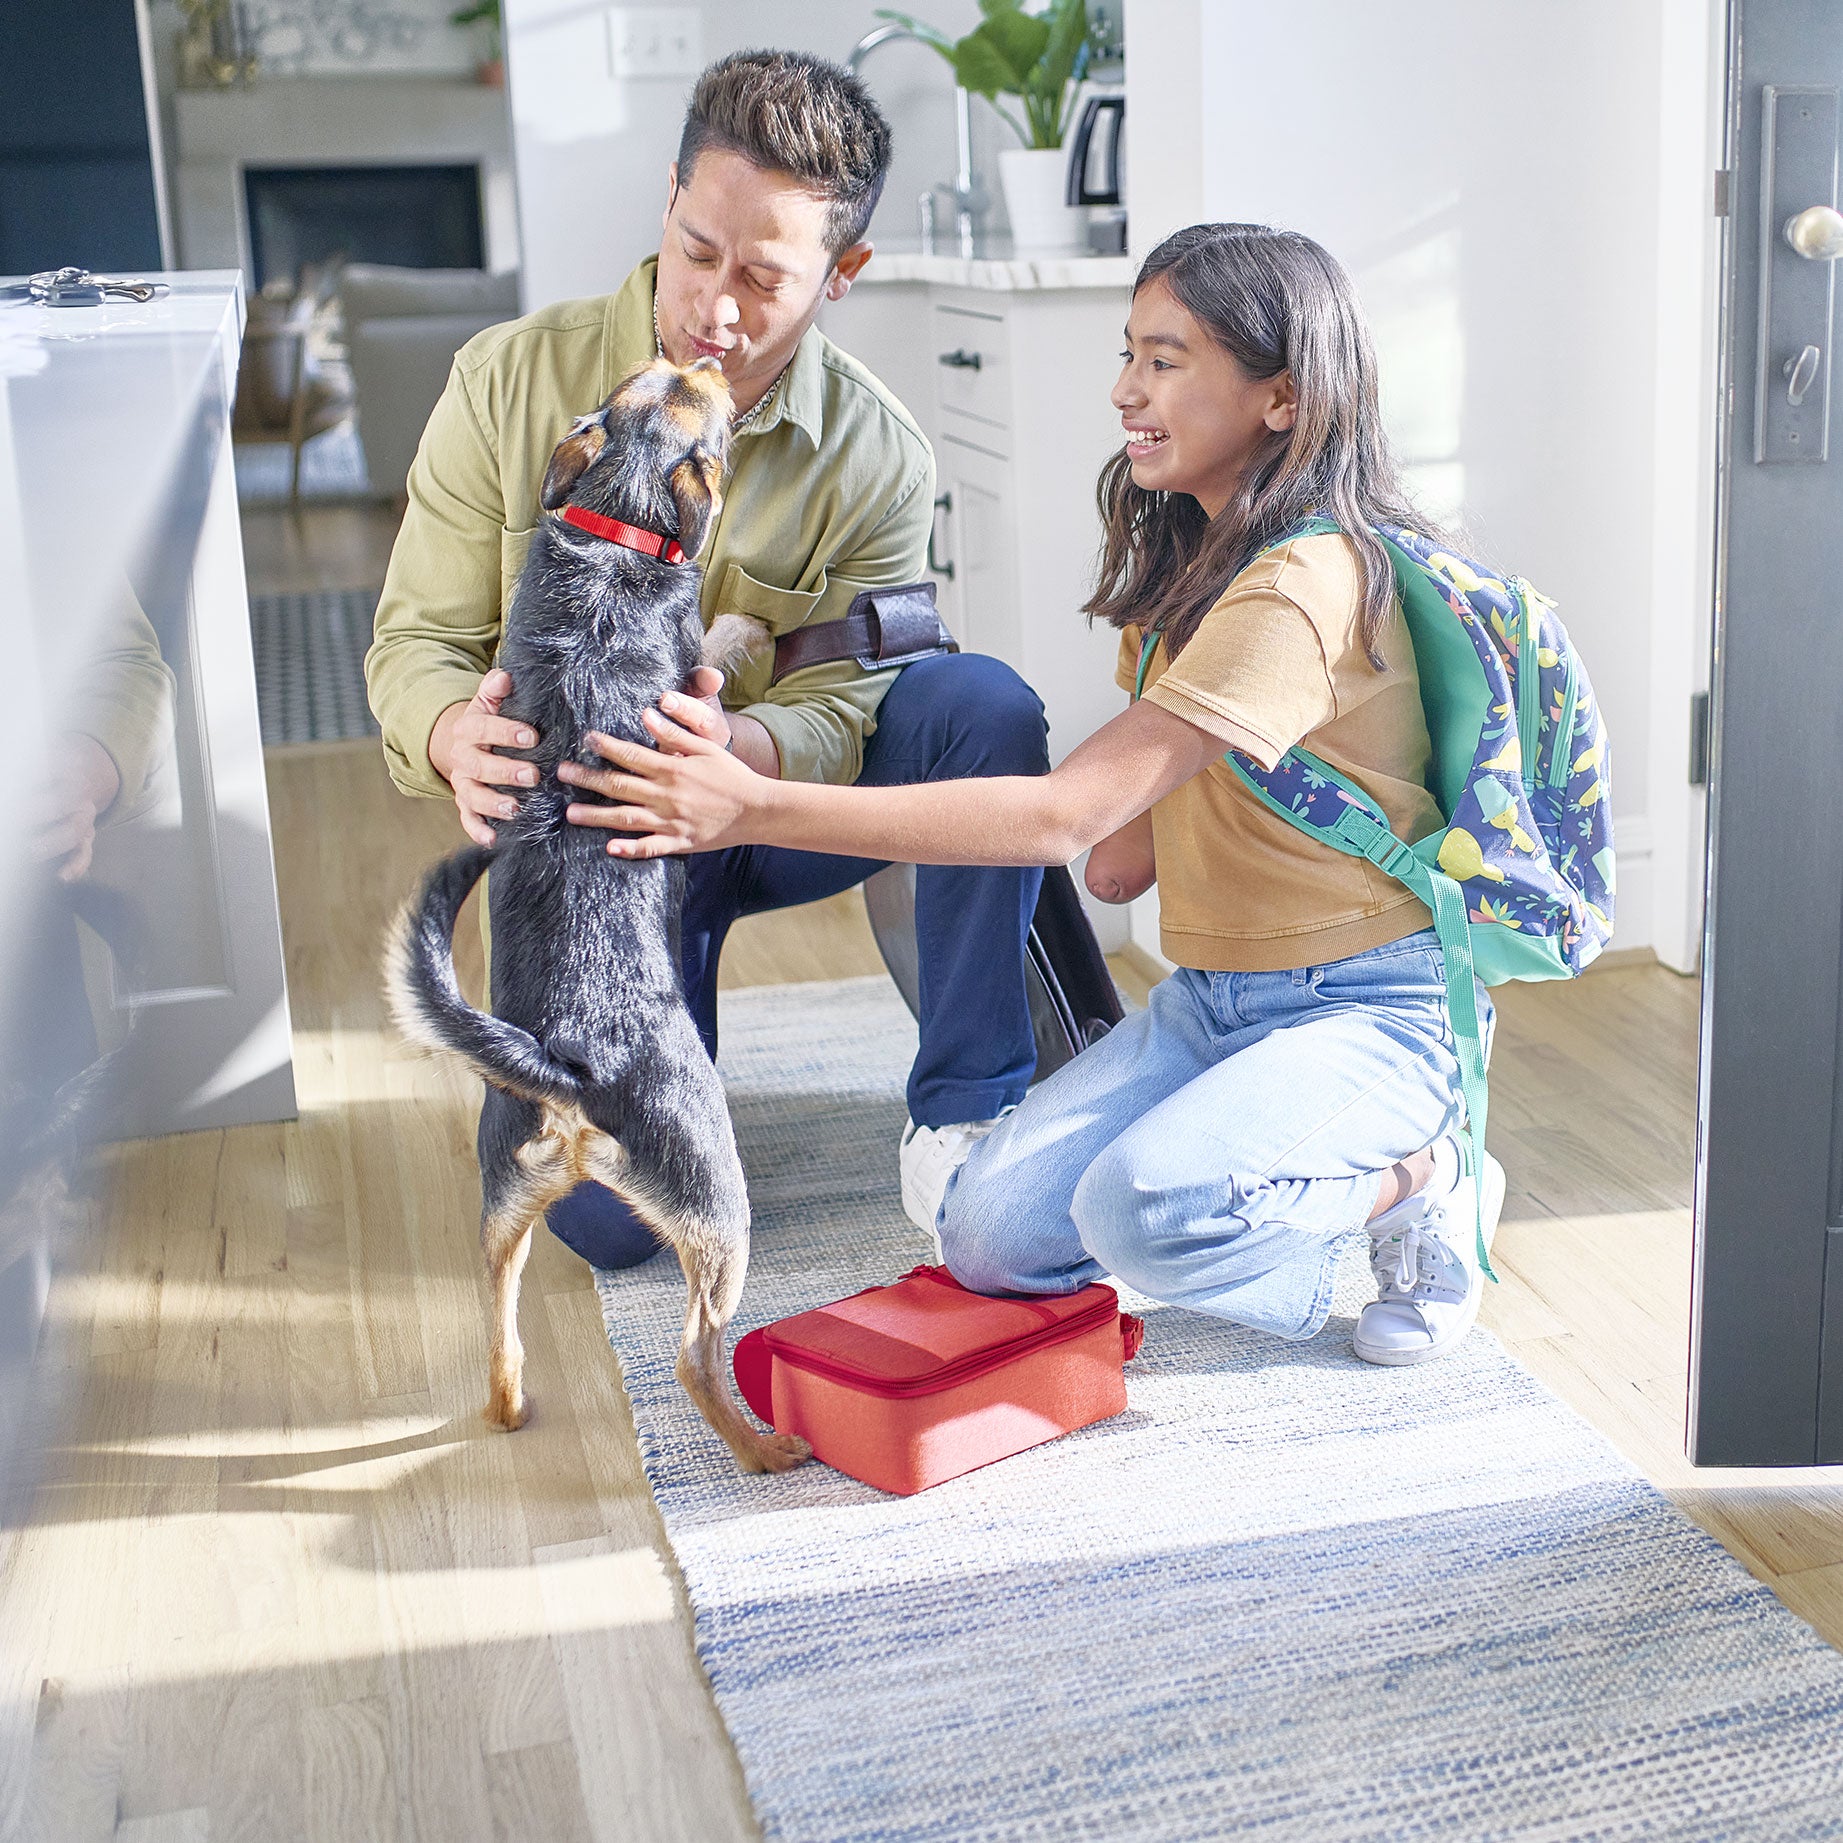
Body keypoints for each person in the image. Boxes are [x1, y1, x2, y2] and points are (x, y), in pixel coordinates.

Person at [552, 222, 1511, 1368]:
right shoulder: (1192, 574)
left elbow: (1067, 823)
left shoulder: (1302, 585)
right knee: (986, 1235)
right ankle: (1255, 1173)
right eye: (1128, 353)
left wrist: (751, 805)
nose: (1124, 390)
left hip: (1369, 1007)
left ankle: (1429, 1176)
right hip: (1216, 1004)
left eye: (1166, 360)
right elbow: (1116, 870)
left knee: (1141, 1214)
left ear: (1281, 398)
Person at [365, 51, 1050, 1271]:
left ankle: (968, 1116)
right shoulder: (506, 382)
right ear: (670, 199)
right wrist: (445, 736)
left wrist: (747, 753)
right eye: (696, 249)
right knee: (612, 1226)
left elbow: (858, 696)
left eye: (763, 277)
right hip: (595, 860)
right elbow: (415, 641)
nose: (713, 310)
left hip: (772, 811)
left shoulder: (879, 455)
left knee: (978, 703)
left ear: (845, 277)